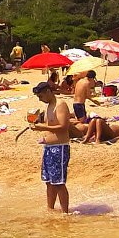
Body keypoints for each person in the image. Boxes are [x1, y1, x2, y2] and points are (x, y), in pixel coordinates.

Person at [32, 82, 76, 212]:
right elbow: (50, 126)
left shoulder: (60, 105)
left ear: (48, 92)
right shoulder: (49, 107)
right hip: (48, 148)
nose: (40, 99)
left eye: (41, 96)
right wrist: (37, 126)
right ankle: (50, 209)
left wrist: (42, 127)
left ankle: (65, 213)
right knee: (49, 181)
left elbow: (63, 126)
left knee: (59, 183)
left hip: (59, 148)